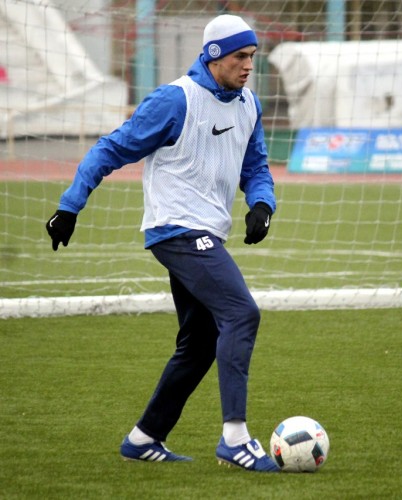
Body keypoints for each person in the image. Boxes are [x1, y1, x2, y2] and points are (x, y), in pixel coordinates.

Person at [45, 14, 279, 472]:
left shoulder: (249, 104)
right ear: (214, 56)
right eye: (240, 56)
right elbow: (111, 148)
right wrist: (70, 206)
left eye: (252, 56)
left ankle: (144, 437)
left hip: (206, 232)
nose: (249, 65)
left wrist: (261, 204)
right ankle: (235, 438)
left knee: (201, 342)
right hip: (176, 229)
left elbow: (256, 166)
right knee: (241, 312)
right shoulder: (175, 100)